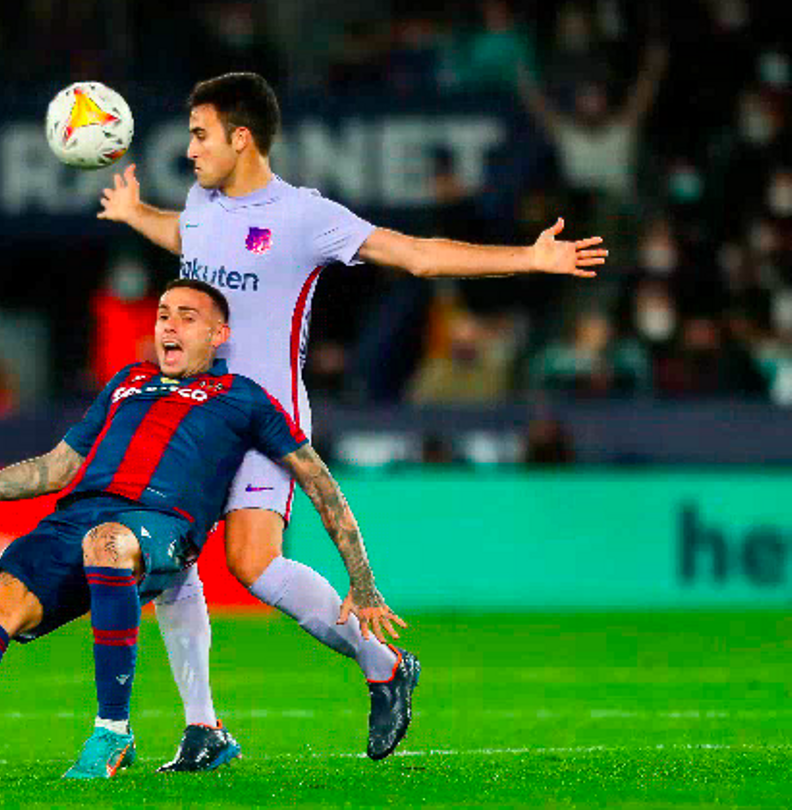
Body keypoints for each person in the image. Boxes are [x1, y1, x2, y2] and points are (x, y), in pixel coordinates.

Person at [97, 71, 606, 769]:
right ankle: (203, 730)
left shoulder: (305, 216)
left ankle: (385, 664)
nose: (189, 150)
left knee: (251, 562)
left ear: (241, 138)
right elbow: (185, 237)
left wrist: (531, 257)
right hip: (193, 409)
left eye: (199, 135)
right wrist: (134, 215)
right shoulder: (199, 204)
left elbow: (419, 256)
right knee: (167, 559)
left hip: (261, 413)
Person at [0, 279, 413, 780]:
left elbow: (319, 482)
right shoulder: (128, 381)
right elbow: (58, 466)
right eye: (164, 313)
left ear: (219, 334)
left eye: (187, 316)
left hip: (158, 523)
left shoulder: (244, 398)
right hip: (75, 515)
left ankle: (112, 734)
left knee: (109, 544)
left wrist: (361, 582)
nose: (169, 324)